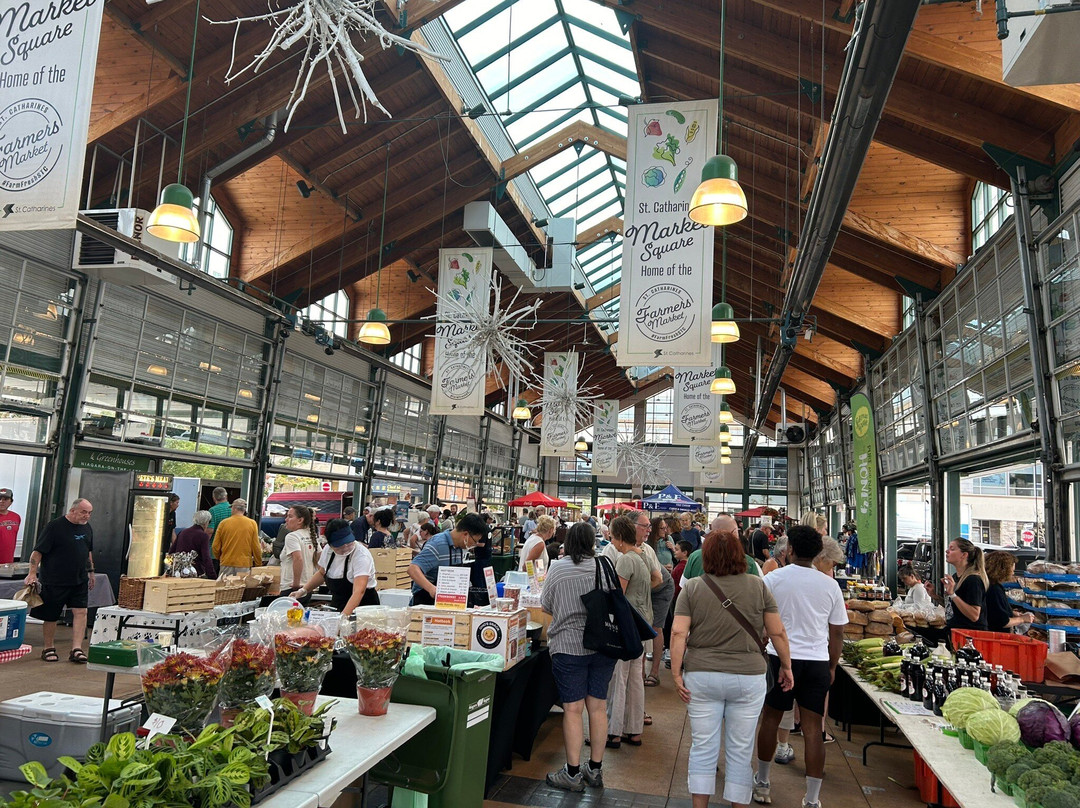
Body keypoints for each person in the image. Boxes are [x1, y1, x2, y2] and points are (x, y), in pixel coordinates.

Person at [671, 525, 794, 808]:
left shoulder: (692, 587)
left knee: (703, 746)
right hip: (748, 676)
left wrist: (677, 673)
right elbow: (777, 632)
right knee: (741, 748)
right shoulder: (758, 586)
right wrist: (786, 666)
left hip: (702, 674)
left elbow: (678, 633)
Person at [754, 524, 848, 808]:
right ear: (818, 552)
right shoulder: (830, 585)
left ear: (790, 549)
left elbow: (760, 621)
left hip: (779, 658)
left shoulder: (774, 579)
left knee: (770, 719)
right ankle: (812, 798)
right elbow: (838, 632)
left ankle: (763, 783)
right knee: (813, 728)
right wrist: (832, 665)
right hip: (817, 661)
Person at [541, 522, 617, 791]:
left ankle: (572, 773)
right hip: (602, 645)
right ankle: (594, 770)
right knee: (597, 707)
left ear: (568, 541)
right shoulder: (604, 566)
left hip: (567, 646)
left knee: (572, 709)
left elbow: (545, 605)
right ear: (592, 542)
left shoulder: (558, 567)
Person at [24, 498, 95, 664]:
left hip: (79, 579)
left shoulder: (87, 528)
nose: (87, 516)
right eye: (84, 512)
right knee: (51, 615)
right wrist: (32, 573)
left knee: (81, 612)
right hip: (55, 579)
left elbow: (88, 552)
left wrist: (91, 572)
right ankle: (48, 647)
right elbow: (37, 552)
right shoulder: (55, 527)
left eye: (89, 513)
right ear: (72, 510)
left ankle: (76, 649)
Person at [603, 515, 653, 749]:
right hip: (642, 625)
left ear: (619, 536)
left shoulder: (624, 561)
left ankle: (613, 731)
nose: (611, 540)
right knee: (635, 680)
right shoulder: (641, 558)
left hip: (626, 628)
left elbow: (618, 597)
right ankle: (634, 730)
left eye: (612, 535)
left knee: (618, 679)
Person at [295, 518, 379, 615]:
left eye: (349, 543)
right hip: (338, 604)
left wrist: (343, 617)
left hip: (363, 608)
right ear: (330, 545)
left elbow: (359, 591)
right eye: (340, 546)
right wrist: (303, 590)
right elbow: (322, 573)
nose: (346, 548)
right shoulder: (328, 551)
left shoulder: (361, 555)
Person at [407, 513, 488, 605]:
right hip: (426, 602)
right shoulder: (437, 545)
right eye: (474, 541)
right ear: (466, 534)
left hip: (447, 603)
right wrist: (432, 589)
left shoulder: (458, 548)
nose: (474, 544)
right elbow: (412, 568)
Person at [684, 517, 762, 581]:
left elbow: (683, 587)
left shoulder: (694, 557)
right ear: (734, 532)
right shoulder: (748, 562)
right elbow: (759, 591)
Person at [943, 537, 989, 632]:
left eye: (952, 549)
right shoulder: (956, 577)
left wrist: (952, 594)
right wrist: (934, 595)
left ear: (964, 555)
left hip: (970, 635)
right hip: (954, 630)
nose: (947, 551)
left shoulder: (973, 580)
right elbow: (955, 607)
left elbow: (974, 615)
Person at [985, 552, 1034, 633]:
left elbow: (995, 610)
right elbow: (1002, 622)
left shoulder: (990, 584)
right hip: (996, 636)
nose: (1013, 573)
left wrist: (1012, 613)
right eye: (1012, 570)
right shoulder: (994, 589)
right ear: (1003, 570)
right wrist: (1022, 619)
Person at [213, 499, 263, 576]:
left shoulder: (223, 523)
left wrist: (220, 558)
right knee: (241, 586)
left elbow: (215, 546)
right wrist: (258, 564)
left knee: (224, 586)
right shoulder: (252, 523)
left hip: (226, 562)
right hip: (244, 564)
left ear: (234, 508)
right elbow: (256, 547)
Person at [279, 506, 318, 599]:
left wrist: (296, 583)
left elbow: (298, 558)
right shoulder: (311, 535)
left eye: (290, 516)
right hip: (307, 586)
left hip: (292, 587)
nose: (286, 519)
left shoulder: (292, 536)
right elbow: (319, 557)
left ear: (300, 520)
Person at [169, 510, 215, 578]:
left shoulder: (183, 532)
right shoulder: (203, 536)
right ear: (206, 522)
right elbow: (206, 558)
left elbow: (172, 551)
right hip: (195, 571)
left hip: (179, 571)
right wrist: (212, 576)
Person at [0, 488, 21, 564]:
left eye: (5, 499)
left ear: (11, 502)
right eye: (0, 499)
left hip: (8, 561)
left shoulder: (16, 517)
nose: (1, 501)